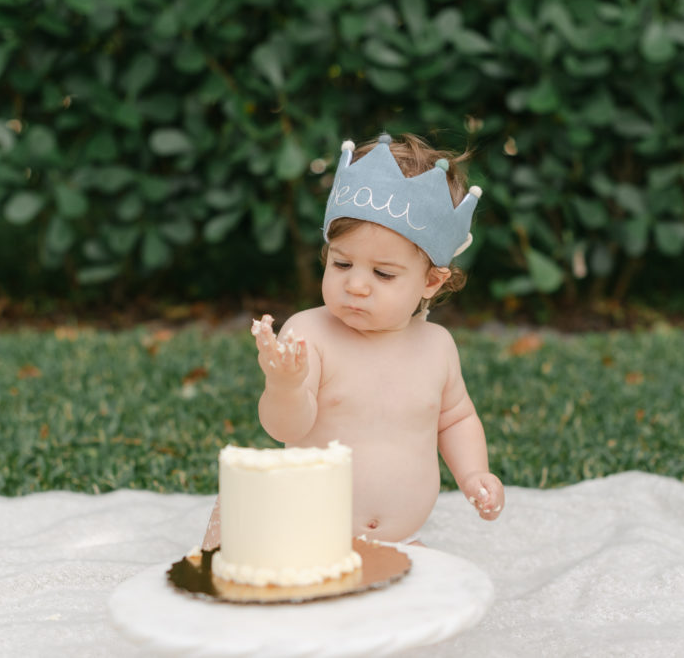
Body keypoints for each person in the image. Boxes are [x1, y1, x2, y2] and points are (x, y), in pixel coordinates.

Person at [202, 133, 504, 548]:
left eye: (383, 273)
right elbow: (284, 427)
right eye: (342, 263)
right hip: (307, 532)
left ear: (432, 281)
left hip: (397, 539)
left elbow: (455, 419)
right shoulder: (311, 335)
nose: (357, 285)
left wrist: (474, 474)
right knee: (248, 535)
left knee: (416, 601)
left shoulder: (437, 347)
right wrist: (286, 385)